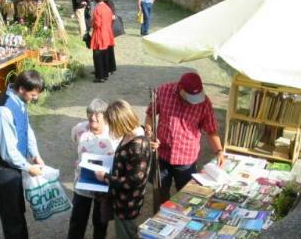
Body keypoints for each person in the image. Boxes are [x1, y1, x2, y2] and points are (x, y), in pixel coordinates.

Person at [144, 72, 225, 204]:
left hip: (186, 158)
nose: (192, 102)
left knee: (186, 197)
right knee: (160, 193)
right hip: (162, 155)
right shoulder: (164, 92)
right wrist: (150, 133)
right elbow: (150, 115)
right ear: (180, 89)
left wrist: (219, 151)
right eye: (189, 97)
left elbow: (211, 130)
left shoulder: (204, 103)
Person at [0, 70, 45, 239]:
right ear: (21, 89)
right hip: (3, 168)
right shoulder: (3, 110)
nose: (35, 98)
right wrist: (28, 167)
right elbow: (8, 152)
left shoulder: (18, 100)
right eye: (33, 95)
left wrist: (35, 154)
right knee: (12, 218)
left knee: (18, 211)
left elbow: (26, 127)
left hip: (12, 167)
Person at [95, 100, 151, 239]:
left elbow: (133, 181)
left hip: (128, 203)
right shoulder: (129, 134)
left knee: (126, 233)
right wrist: (115, 156)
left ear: (122, 123)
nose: (112, 129)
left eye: (113, 125)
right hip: (120, 200)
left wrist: (105, 177)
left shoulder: (138, 146)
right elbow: (127, 160)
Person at [67, 99, 120, 239]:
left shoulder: (114, 133)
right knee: (77, 220)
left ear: (106, 116)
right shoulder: (79, 129)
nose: (92, 117)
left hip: (103, 186)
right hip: (82, 184)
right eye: (90, 113)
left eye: (97, 114)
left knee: (100, 221)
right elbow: (75, 141)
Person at [90, 0, 115, 82]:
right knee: (105, 55)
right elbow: (111, 19)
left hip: (100, 34)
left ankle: (100, 76)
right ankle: (105, 74)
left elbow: (97, 24)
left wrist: (92, 23)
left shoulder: (97, 9)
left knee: (98, 56)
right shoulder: (107, 8)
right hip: (107, 33)